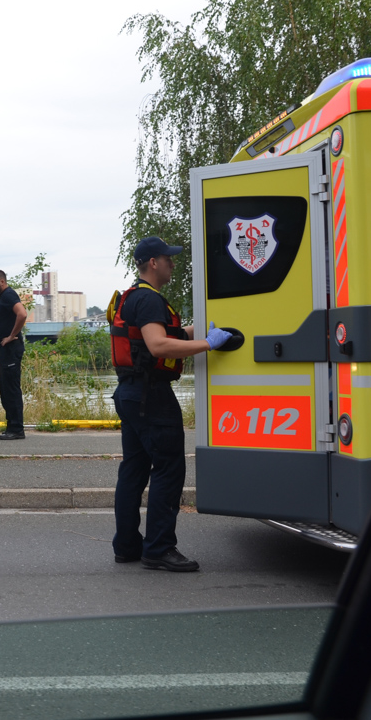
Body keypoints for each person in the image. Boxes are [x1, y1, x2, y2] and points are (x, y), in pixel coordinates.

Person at [111, 236, 232, 572]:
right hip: (151, 397)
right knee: (168, 469)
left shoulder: (133, 296)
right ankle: (159, 548)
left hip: (130, 393)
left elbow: (162, 336)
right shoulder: (150, 299)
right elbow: (158, 346)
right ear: (153, 262)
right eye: (168, 259)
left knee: (133, 471)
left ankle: (127, 546)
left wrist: (198, 331)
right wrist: (208, 344)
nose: (172, 264)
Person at [0, 269, 27, 440]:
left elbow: (22, 314)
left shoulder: (9, 295)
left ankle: (17, 429)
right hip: (6, 350)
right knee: (5, 388)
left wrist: (11, 336)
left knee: (11, 389)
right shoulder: (4, 297)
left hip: (11, 349)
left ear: (2, 282)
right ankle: (11, 426)